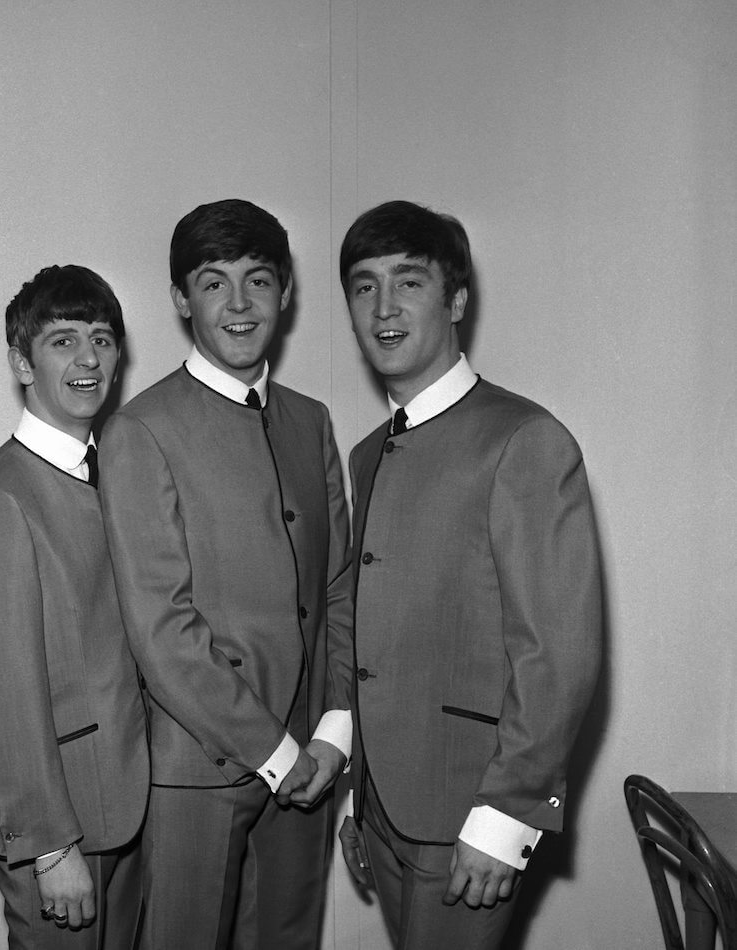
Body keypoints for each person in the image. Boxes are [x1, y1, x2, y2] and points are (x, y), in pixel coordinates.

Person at [335, 199, 602, 949]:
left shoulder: (525, 440)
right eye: (363, 286)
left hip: (470, 814)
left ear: (455, 300)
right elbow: (375, 639)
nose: (384, 307)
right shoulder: (366, 452)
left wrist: (509, 814)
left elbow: (561, 653)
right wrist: (359, 792)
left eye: (408, 282)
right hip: (385, 810)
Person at [98, 198, 355, 949]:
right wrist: (274, 750)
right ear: (182, 299)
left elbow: (338, 586)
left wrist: (334, 730)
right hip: (200, 772)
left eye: (258, 281)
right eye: (214, 283)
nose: (239, 305)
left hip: (310, 767)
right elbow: (161, 628)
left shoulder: (310, 421)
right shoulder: (142, 429)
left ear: (286, 292)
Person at [0, 264, 149, 949]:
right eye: (63, 340)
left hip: (132, 805)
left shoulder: (122, 474)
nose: (89, 358)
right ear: (21, 363)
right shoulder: (2, 498)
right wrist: (49, 845)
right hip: (65, 825)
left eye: (102, 338)